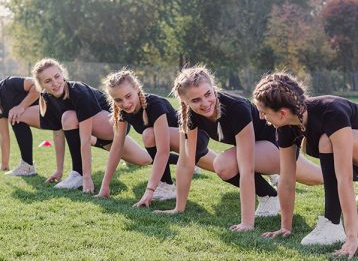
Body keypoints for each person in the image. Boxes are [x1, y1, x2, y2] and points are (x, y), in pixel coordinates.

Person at [156, 66, 323, 232]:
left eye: (208, 94)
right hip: (256, 150)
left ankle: (342, 180)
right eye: (196, 100)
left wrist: (247, 223)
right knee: (223, 165)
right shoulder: (189, 116)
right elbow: (186, 163)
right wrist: (178, 208)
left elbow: (247, 169)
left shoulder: (236, 107)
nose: (205, 103)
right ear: (185, 101)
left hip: (277, 146)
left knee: (319, 177)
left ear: (214, 88)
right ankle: (270, 196)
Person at [253, 72, 358, 259]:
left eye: (264, 112)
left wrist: (352, 238)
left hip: (351, 158)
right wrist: (285, 226)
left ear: (282, 113)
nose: (262, 117)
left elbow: (345, 179)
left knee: (325, 140)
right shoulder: (285, 128)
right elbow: (286, 178)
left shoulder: (331, 112)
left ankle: (334, 223)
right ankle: (333, 224)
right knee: (322, 141)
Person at [32, 58, 152, 194]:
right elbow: (58, 134)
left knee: (69, 117)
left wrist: (87, 177)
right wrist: (59, 171)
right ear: (41, 85)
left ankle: (78, 173)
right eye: (48, 81)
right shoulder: (47, 98)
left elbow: (84, 140)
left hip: (112, 126)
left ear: (62, 74)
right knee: (145, 159)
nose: (55, 83)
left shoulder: (77, 91)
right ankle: (177, 159)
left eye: (57, 76)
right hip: (96, 135)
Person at [96, 69, 215, 206]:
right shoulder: (123, 112)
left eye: (128, 96)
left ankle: (167, 185)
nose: (125, 103)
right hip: (183, 146)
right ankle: (194, 167)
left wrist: (149, 190)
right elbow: (117, 148)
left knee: (149, 135)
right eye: (118, 100)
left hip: (195, 138)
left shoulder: (154, 105)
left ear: (136, 88)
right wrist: (105, 185)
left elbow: (163, 151)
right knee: (223, 168)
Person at [0, 76, 65, 179]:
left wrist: (21, 106)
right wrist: (4, 164)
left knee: (16, 115)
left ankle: (27, 166)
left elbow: (37, 86)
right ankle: (27, 166)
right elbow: (4, 135)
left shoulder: (9, 83)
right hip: (47, 118)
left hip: (56, 107)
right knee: (15, 116)